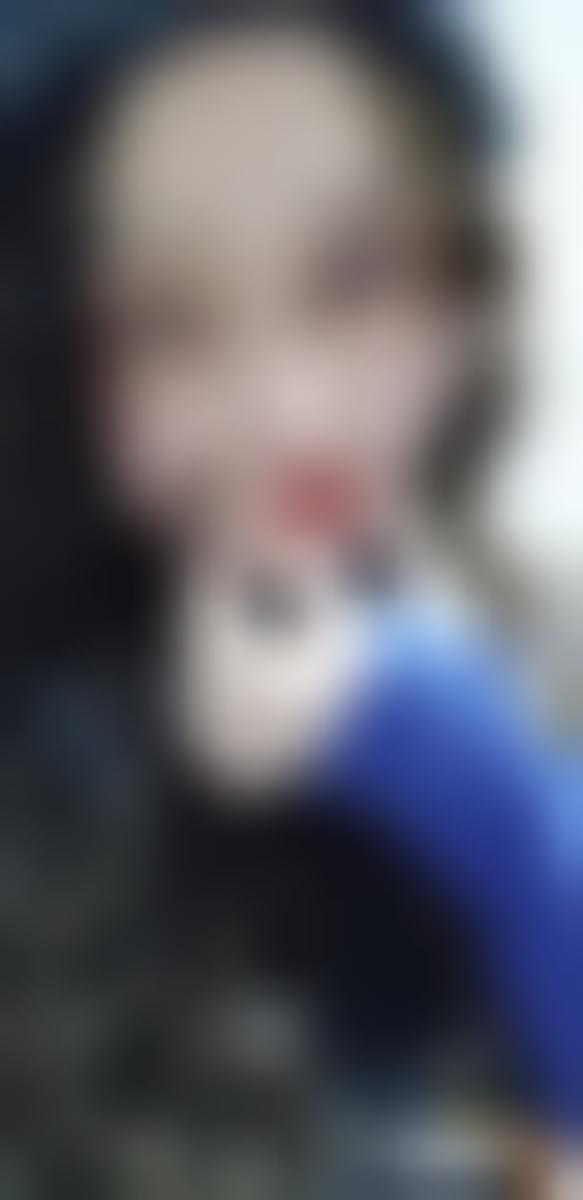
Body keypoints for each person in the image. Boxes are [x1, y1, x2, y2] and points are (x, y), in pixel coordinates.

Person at [4, 4, 582, 1194]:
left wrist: (465, 777)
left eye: (355, 280)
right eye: (166, 324)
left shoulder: (536, 646)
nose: (287, 412)